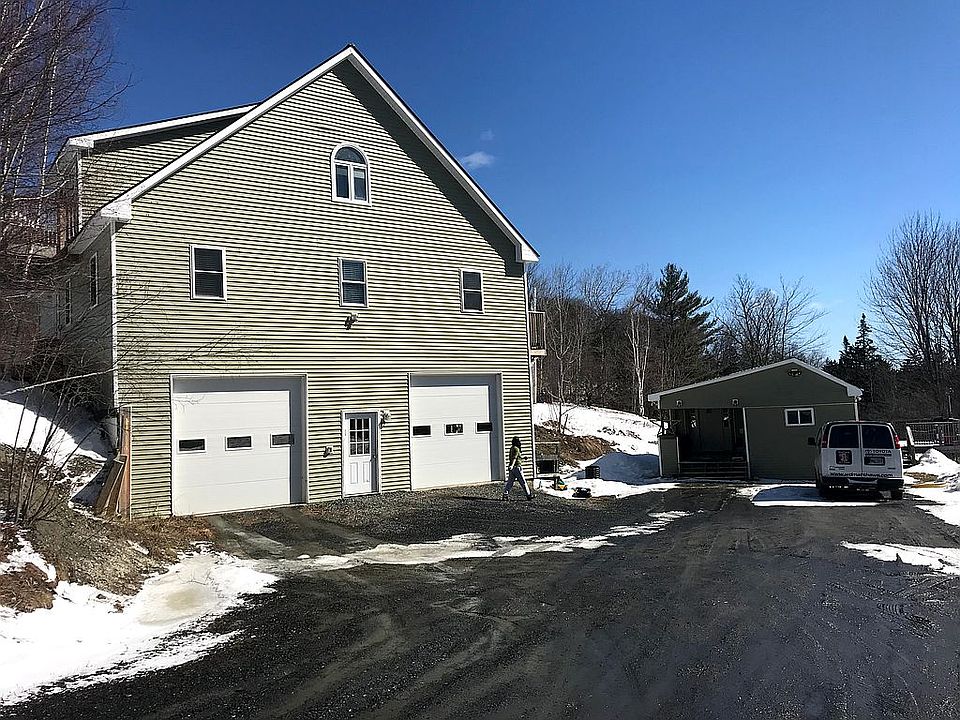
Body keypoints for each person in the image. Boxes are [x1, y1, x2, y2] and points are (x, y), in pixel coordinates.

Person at [503, 436, 533, 501]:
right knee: (523, 482)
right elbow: (514, 458)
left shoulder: (512, 448)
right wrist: (512, 465)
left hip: (512, 468)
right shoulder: (516, 449)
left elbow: (516, 458)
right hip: (517, 467)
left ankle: (505, 495)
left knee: (510, 482)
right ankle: (528, 495)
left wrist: (522, 458)